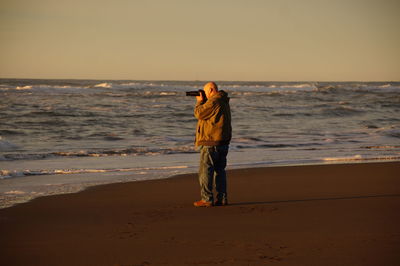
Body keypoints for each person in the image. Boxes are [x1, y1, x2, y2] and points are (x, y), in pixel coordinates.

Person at [193, 82, 232, 207]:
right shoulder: (223, 100)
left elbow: (199, 114)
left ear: (210, 90)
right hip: (222, 141)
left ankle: (207, 199)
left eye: (205, 92)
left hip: (211, 142)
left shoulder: (214, 101)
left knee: (205, 171)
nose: (204, 95)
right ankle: (222, 198)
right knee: (219, 171)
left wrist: (199, 101)